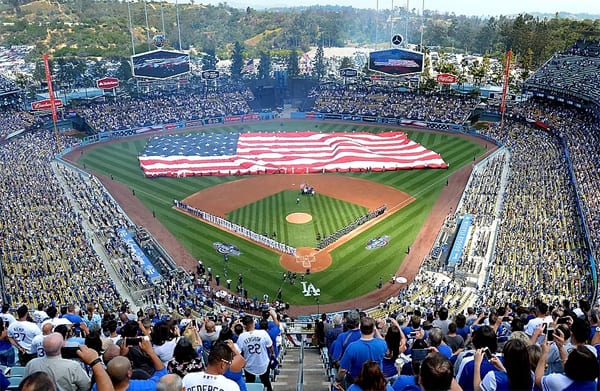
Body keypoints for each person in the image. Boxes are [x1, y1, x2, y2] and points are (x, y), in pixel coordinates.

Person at [23, 332, 91, 391]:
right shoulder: (73, 366)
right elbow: (86, 386)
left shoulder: (32, 364)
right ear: (62, 345)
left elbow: (25, 385)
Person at [96, 338, 167, 391]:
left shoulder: (98, 386)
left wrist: (122, 356)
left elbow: (116, 369)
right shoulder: (146, 387)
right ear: (129, 373)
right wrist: (150, 352)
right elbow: (162, 373)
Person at [337, 317, 387, 389]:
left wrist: (338, 380)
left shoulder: (352, 347)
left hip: (357, 382)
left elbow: (343, 370)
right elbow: (383, 342)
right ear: (374, 329)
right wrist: (375, 330)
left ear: (360, 329)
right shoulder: (382, 344)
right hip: (377, 382)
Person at [237, 315, 274, 391]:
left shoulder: (242, 336)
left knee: (250, 384)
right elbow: (270, 346)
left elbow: (238, 352)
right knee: (266, 382)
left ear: (244, 326)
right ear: (253, 323)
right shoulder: (263, 333)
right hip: (263, 363)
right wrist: (272, 354)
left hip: (249, 364)